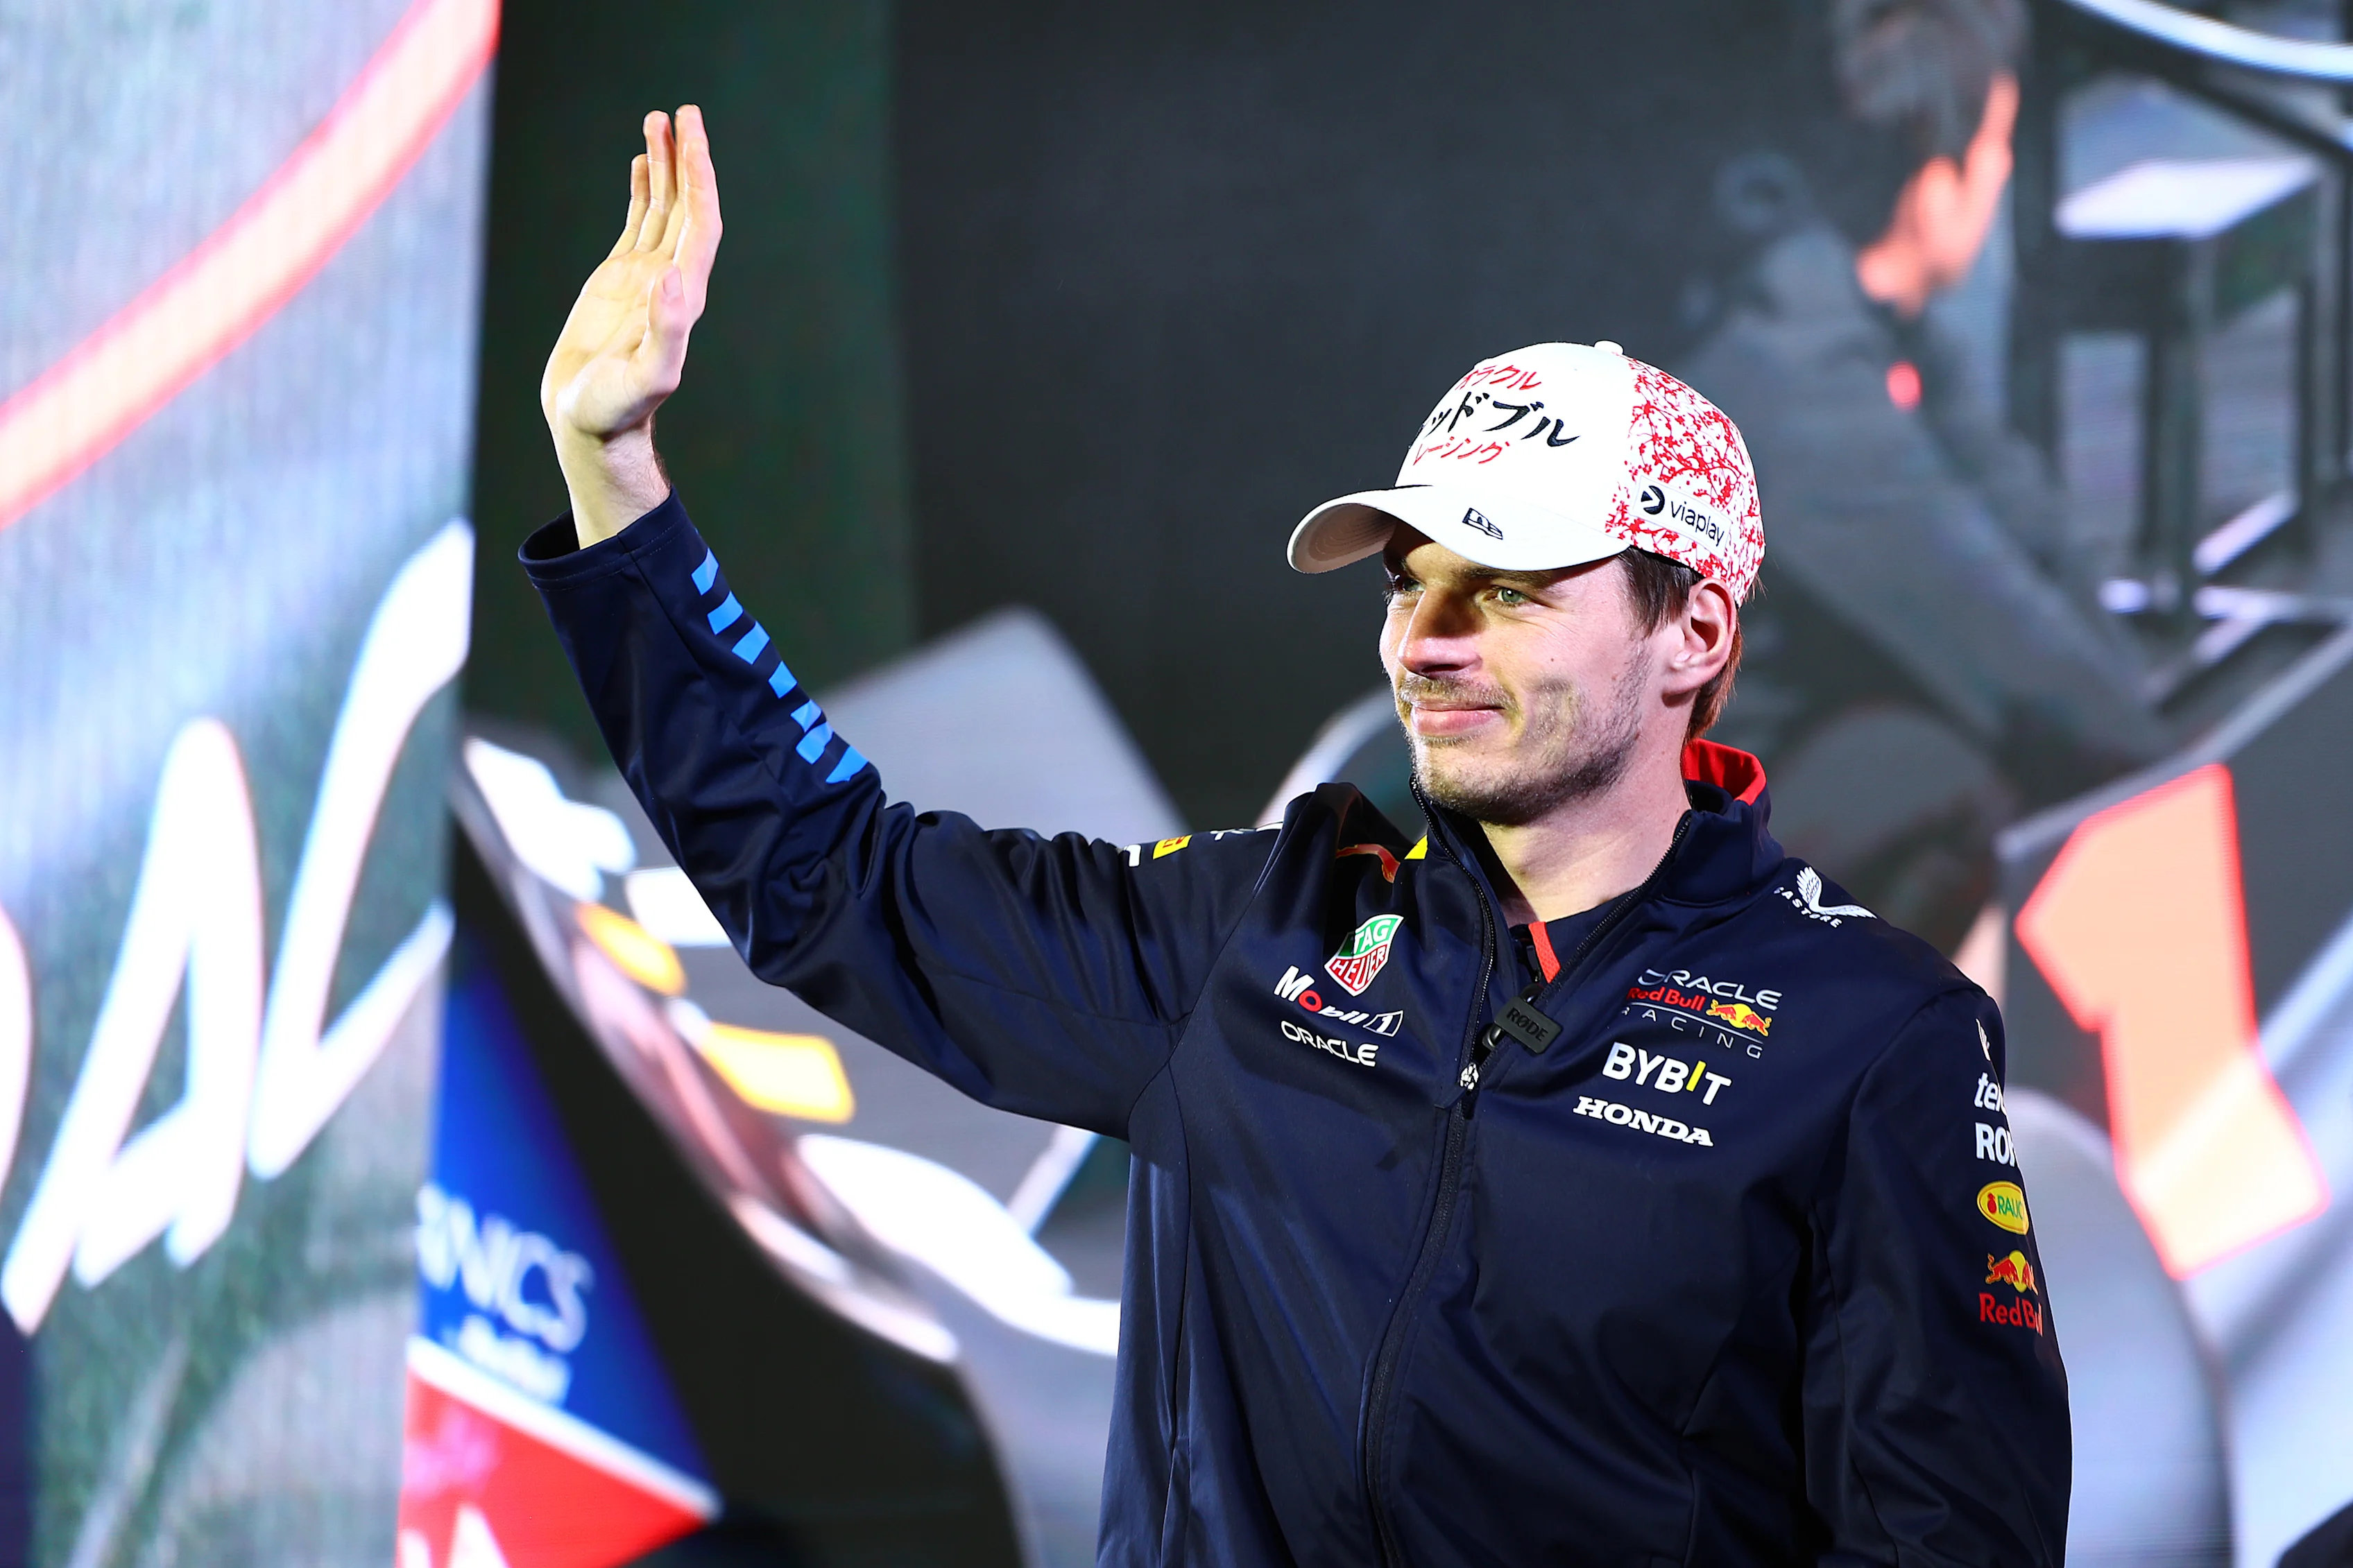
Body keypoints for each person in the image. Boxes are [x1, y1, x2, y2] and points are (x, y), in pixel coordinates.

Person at [522, 107, 2069, 1565]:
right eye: (1407, 579)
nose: (1425, 639)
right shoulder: (1252, 930)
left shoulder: (1876, 1038)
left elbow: (1947, 1532)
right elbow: (826, 877)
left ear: (1692, 630)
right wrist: (617, 479)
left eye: (1507, 586)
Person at [1678, 0, 2171, 953]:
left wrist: (2143, 728)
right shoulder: (1797, 385)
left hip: (1747, 777)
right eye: (1997, 144)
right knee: (1950, 769)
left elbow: (2028, 545)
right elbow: (2004, 647)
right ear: (1937, 180)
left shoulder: (1880, 329)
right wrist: (2200, 798)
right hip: (1646, 847)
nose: (2006, 171)